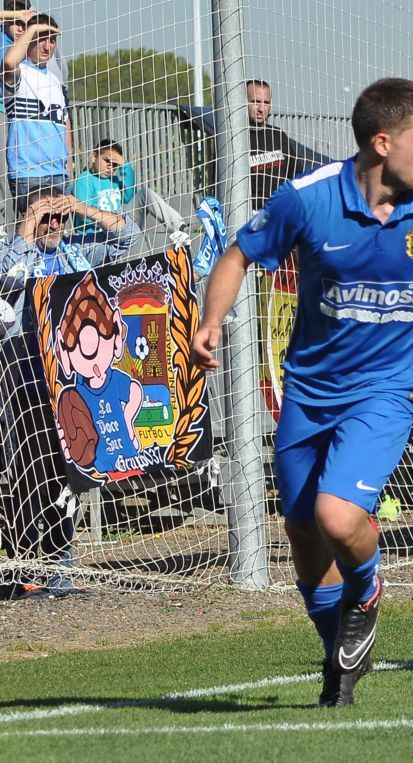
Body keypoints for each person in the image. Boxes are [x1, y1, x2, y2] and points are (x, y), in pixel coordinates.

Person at [191, 77, 413, 706]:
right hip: (310, 389)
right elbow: (239, 254)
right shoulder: (306, 199)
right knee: (300, 529)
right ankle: (339, 663)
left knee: (338, 516)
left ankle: (367, 591)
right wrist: (210, 321)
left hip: (389, 389)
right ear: (382, 142)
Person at [0, 189, 140, 599]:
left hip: (68, 393)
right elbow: (5, 275)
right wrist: (29, 225)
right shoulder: (13, 249)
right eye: (47, 218)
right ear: (27, 217)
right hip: (21, 382)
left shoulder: (76, 255)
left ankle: (60, 568)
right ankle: (24, 566)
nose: (54, 226)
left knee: (67, 479)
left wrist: (78, 207)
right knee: (26, 477)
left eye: (58, 219)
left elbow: (127, 236)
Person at [2, 13, 71, 216]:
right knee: (31, 235)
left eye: (52, 40)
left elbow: (64, 120)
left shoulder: (55, 80)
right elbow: (8, 62)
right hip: (29, 174)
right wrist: (32, 28)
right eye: (42, 37)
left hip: (58, 173)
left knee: (57, 235)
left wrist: (69, 158)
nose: (47, 46)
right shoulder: (19, 72)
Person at [246, 78, 309, 210]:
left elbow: (297, 176)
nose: (261, 109)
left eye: (266, 103)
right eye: (255, 102)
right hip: (249, 217)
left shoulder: (278, 136)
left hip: (279, 214)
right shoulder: (234, 141)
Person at [71, 139, 136, 234]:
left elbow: (130, 197)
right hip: (92, 236)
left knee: (147, 195)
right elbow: (84, 214)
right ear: (94, 157)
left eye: (115, 164)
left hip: (115, 232)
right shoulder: (84, 180)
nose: (110, 167)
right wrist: (110, 221)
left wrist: (125, 166)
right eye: (107, 161)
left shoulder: (114, 180)